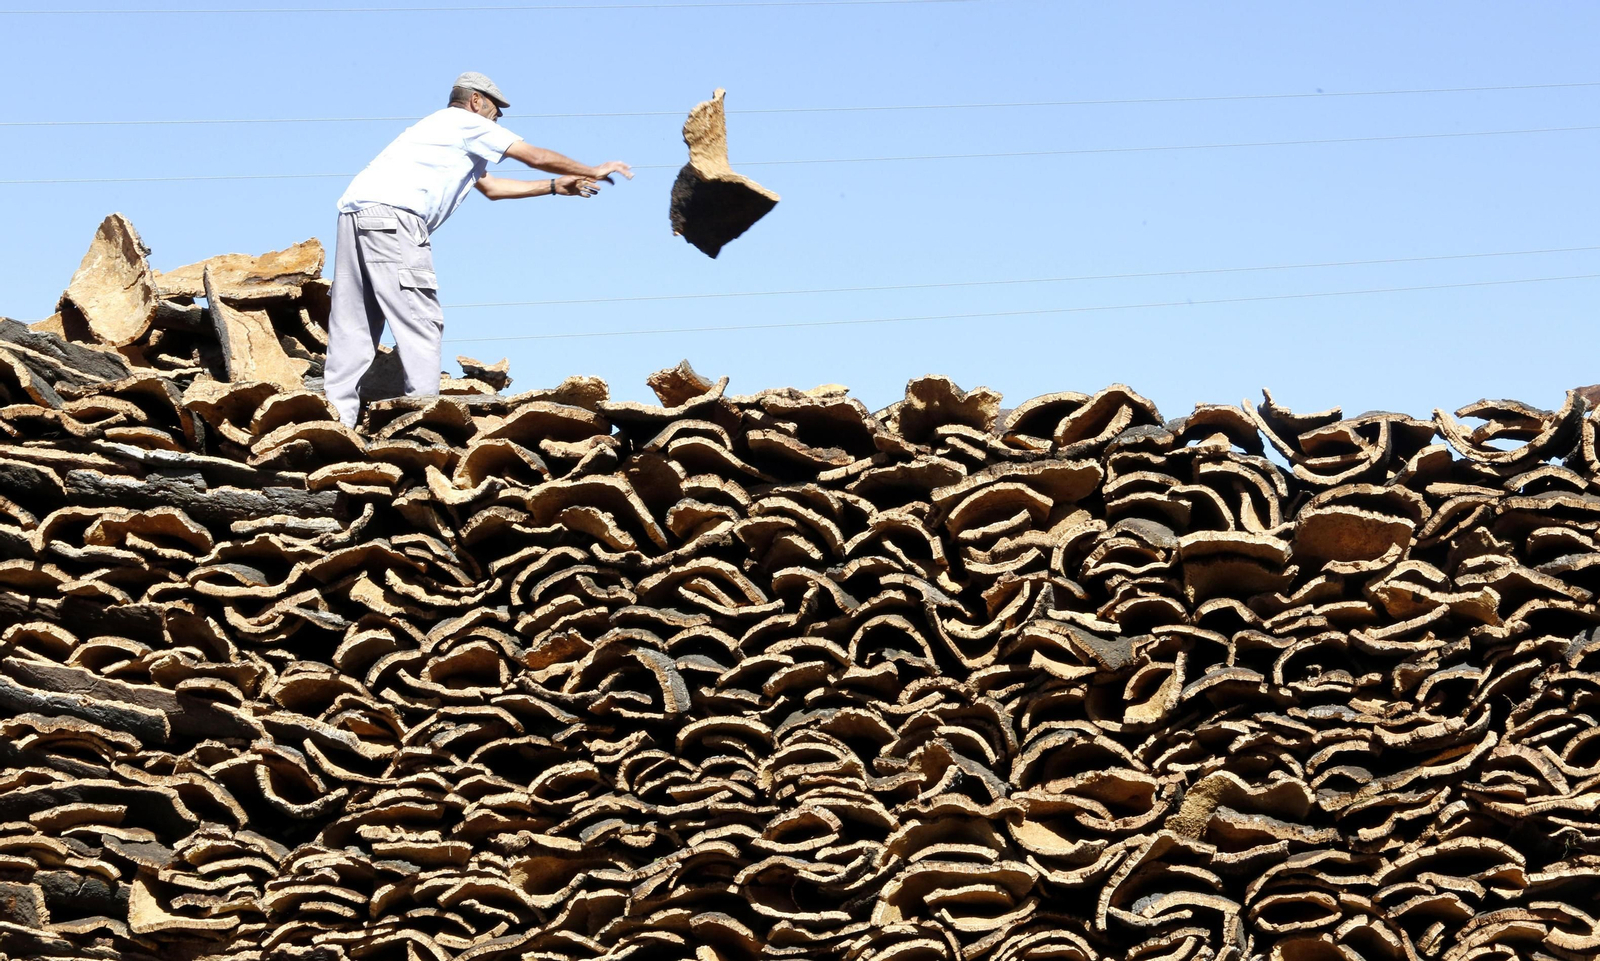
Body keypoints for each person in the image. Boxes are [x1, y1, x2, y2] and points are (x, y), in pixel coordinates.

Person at [324, 72, 632, 427]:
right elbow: (534, 155)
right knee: (421, 321)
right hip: (396, 220)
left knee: (354, 325)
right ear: (475, 101)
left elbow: (493, 188)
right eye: (495, 113)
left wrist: (553, 186)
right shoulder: (466, 123)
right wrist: (592, 169)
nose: (497, 121)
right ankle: (423, 423)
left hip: (355, 216)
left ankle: (336, 421)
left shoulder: (439, 131)